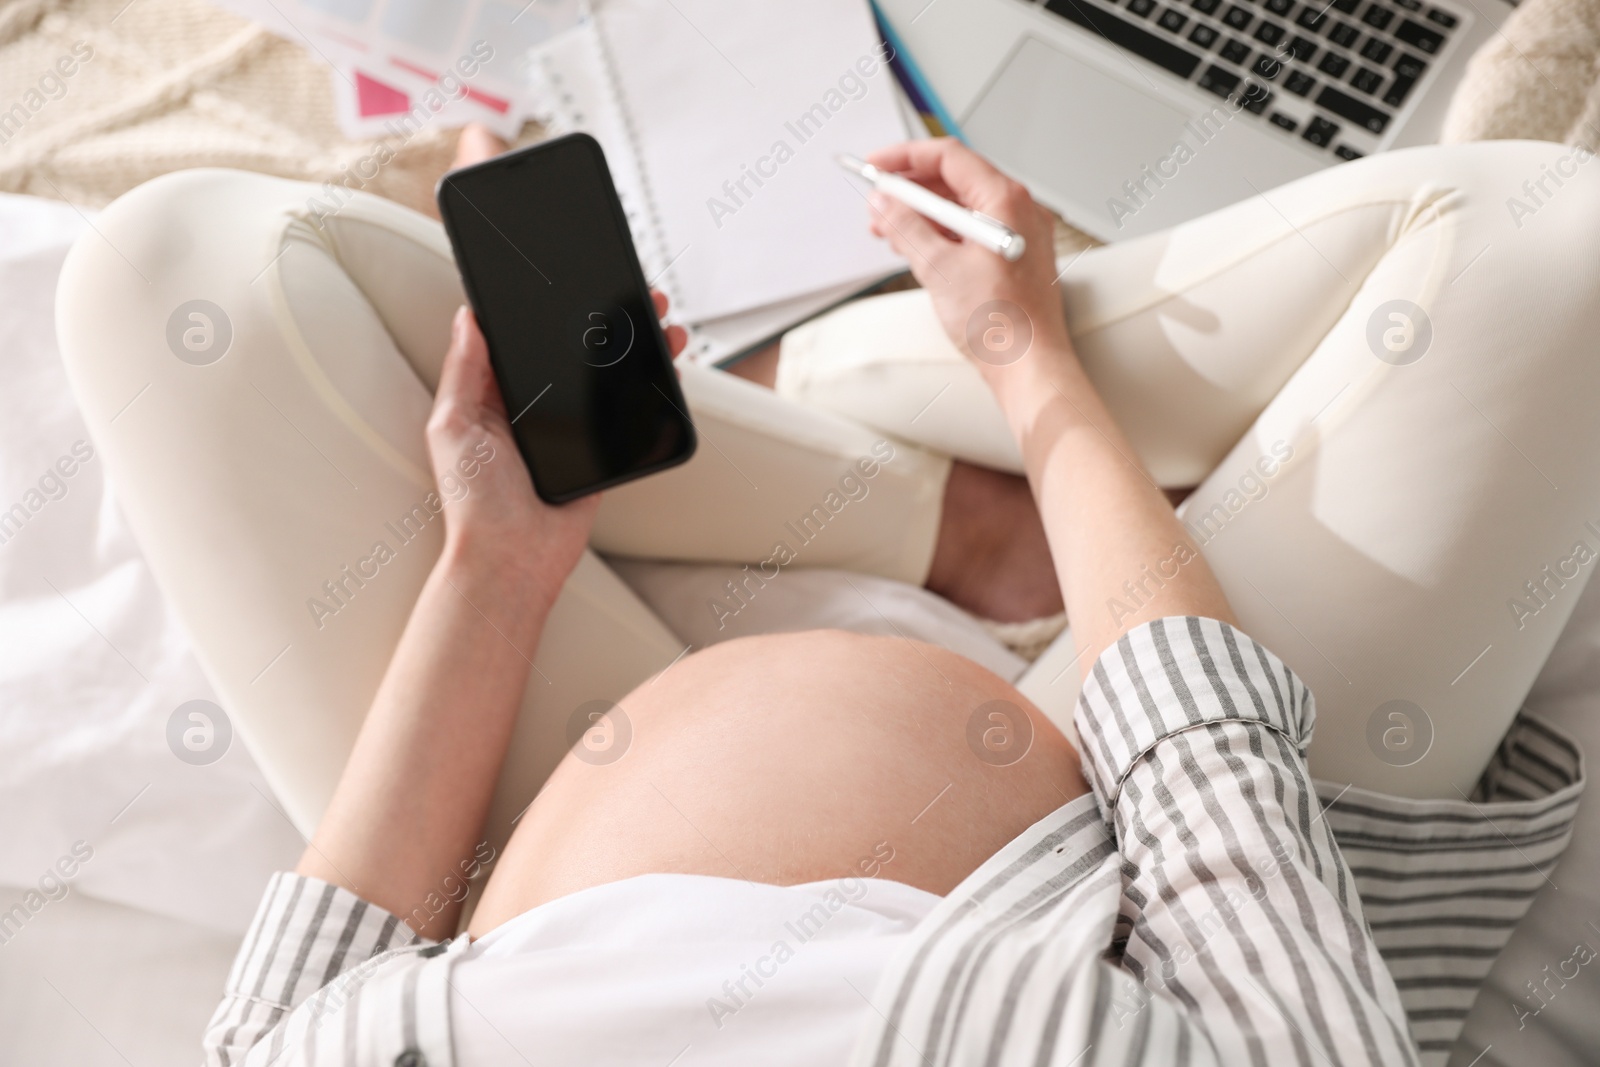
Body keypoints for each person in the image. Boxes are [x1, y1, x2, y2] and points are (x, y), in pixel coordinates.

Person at [55, 131, 1594, 1067]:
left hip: (529, 798)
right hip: (1110, 822)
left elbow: (290, 1021)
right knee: (1550, 251)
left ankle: (908, 487)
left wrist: (498, 569)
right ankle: (911, 403)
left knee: (170, 274)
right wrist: (1029, 364)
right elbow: (1209, 786)